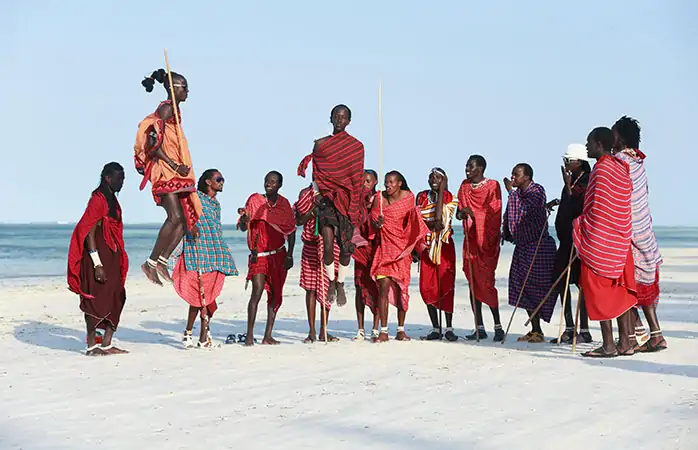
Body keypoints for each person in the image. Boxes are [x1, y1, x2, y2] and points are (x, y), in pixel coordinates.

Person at [134, 69, 202, 286]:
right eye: (184, 87)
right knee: (174, 217)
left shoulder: (174, 110)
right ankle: (150, 262)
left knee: (184, 219)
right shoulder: (166, 109)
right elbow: (154, 143)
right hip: (165, 171)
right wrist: (174, 164)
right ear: (173, 89)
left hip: (176, 172)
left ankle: (162, 260)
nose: (188, 92)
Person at [574, 127, 637, 357]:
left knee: (599, 291)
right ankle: (626, 344)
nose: (587, 146)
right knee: (618, 292)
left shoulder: (601, 170)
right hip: (620, 242)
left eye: (589, 142)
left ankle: (609, 345)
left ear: (600, 144)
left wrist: (579, 225)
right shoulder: (621, 168)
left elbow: (598, 211)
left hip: (600, 242)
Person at [297, 105, 365, 307]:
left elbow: (357, 177)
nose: (339, 120)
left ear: (349, 121)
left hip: (347, 200)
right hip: (326, 200)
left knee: (346, 247)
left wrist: (355, 204)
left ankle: (341, 282)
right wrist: (317, 194)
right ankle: (331, 282)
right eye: (336, 116)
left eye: (343, 117)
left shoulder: (356, 146)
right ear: (331, 118)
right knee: (327, 246)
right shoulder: (321, 144)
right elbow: (316, 174)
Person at [612, 116, 666, 352]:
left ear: (620, 138)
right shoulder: (638, 161)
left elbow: (618, 199)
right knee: (637, 283)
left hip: (628, 231)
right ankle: (651, 334)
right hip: (644, 230)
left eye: (612, 134)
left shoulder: (619, 162)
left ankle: (637, 336)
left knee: (626, 283)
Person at [172, 169, 238, 349]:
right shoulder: (195, 198)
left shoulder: (216, 204)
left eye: (222, 179)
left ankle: (203, 335)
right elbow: (180, 210)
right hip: (197, 249)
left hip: (214, 251)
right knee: (197, 295)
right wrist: (189, 226)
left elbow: (216, 227)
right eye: (218, 179)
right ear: (208, 182)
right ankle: (188, 331)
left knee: (208, 296)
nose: (222, 182)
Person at [67, 162, 129, 356]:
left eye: (123, 179)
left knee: (117, 296)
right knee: (95, 299)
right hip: (97, 257)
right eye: (119, 178)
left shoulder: (113, 200)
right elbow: (89, 232)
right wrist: (97, 264)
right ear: (108, 178)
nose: (122, 182)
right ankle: (92, 345)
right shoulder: (98, 198)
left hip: (112, 255)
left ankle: (107, 343)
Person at [237, 171, 296, 346]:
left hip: (279, 255)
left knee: (276, 295)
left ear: (280, 185)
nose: (268, 184)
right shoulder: (255, 201)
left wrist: (291, 255)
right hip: (260, 255)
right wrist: (245, 219)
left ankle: (267, 335)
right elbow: (242, 227)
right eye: (266, 181)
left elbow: (291, 230)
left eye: (273, 182)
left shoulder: (284, 204)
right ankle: (249, 336)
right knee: (257, 292)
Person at [370, 171, 429, 342]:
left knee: (401, 289)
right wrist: (377, 223)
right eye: (386, 182)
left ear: (400, 183)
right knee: (383, 288)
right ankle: (384, 330)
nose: (387, 185)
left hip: (402, 250)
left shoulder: (408, 198)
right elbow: (373, 220)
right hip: (384, 249)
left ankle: (401, 329)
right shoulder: (379, 199)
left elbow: (412, 222)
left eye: (391, 182)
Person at [503, 163, 558, 343]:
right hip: (523, 247)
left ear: (527, 177)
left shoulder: (537, 191)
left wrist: (511, 193)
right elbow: (510, 216)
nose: (513, 177)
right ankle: (536, 330)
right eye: (512, 174)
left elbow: (526, 211)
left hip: (538, 247)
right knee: (521, 286)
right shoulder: (517, 194)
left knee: (540, 287)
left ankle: (569, 327)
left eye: (516, 174)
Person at [547, 144, 593, 344]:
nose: (566, 164)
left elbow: (581, 205)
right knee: (560, 281)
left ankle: (584, 330)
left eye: (569, 161)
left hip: (580, 240)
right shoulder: (572, 180)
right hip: (565, 240)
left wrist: (567, 186)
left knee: (581, 285)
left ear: (579, 162)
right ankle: (569, 327)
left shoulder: (587, 180)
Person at [457, 155, 505, 342]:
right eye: (466, 165)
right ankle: (479, 327)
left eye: (471, 166)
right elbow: (459, 214)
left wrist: (474, 214)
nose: (467, 169)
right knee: (473, 283)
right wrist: (464, 214)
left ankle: (498, 326)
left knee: (487, 283)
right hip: (470, 242)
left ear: (481, 168)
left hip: (486, 242)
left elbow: (494, 211)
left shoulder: (493, 186)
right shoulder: (464, 186)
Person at [293, 181, 340, 343]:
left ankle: (323, 330)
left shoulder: (332, 192)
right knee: (310, 289)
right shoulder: (305, 194)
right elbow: (298, 220)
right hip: (310, 245)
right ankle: (312, 331)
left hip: (329, 246)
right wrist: (314, 211)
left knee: (326, 286)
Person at [416, 168, 459, 342]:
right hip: (427, 246)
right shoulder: (422, 196)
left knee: (446, 285)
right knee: (427, 286)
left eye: (438, 177)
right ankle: (435, 327)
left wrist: (442, 189)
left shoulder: (448, 196)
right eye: (431, 177)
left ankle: (448, 328)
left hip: (444, 245)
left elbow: (440, 220)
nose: (433, 179)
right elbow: (418, 220)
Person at [352, 170, 381, 341]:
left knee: (377, 287)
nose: (365, 184)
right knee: (359, 286)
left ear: (375, 182)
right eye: (362, 181)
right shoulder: (356, 201)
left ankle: (376, 327)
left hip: (376, 247)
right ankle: (360, 328)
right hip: (360, 247)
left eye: (368, 181)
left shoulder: (379, 199)